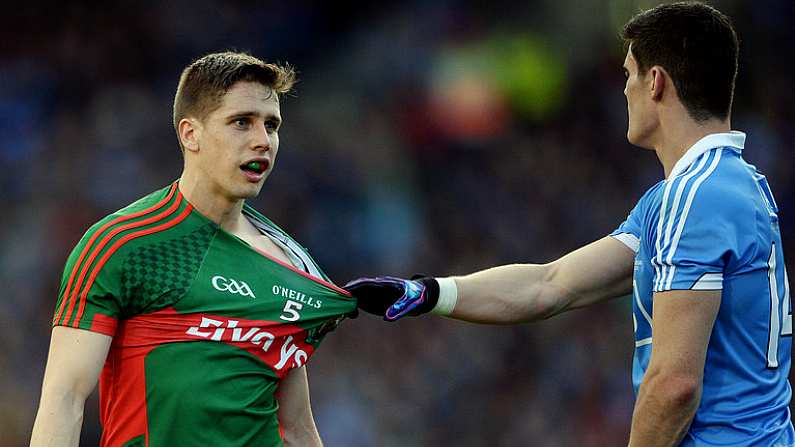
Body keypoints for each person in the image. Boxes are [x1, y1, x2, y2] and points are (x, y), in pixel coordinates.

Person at [345, 2, 794, 446]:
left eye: (628, 74)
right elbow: (553, 284)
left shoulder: (699, 197)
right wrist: (427, 293)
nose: (624, 90)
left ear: (655, 82)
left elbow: (675, 384)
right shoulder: (707, 190)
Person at [30, 51, 356, 446]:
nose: (262, 141)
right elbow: (64, 399)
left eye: (271, 125)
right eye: (241, 122)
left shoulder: (289, 262)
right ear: (190, 133)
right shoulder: (122, 244)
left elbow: (298, 428)